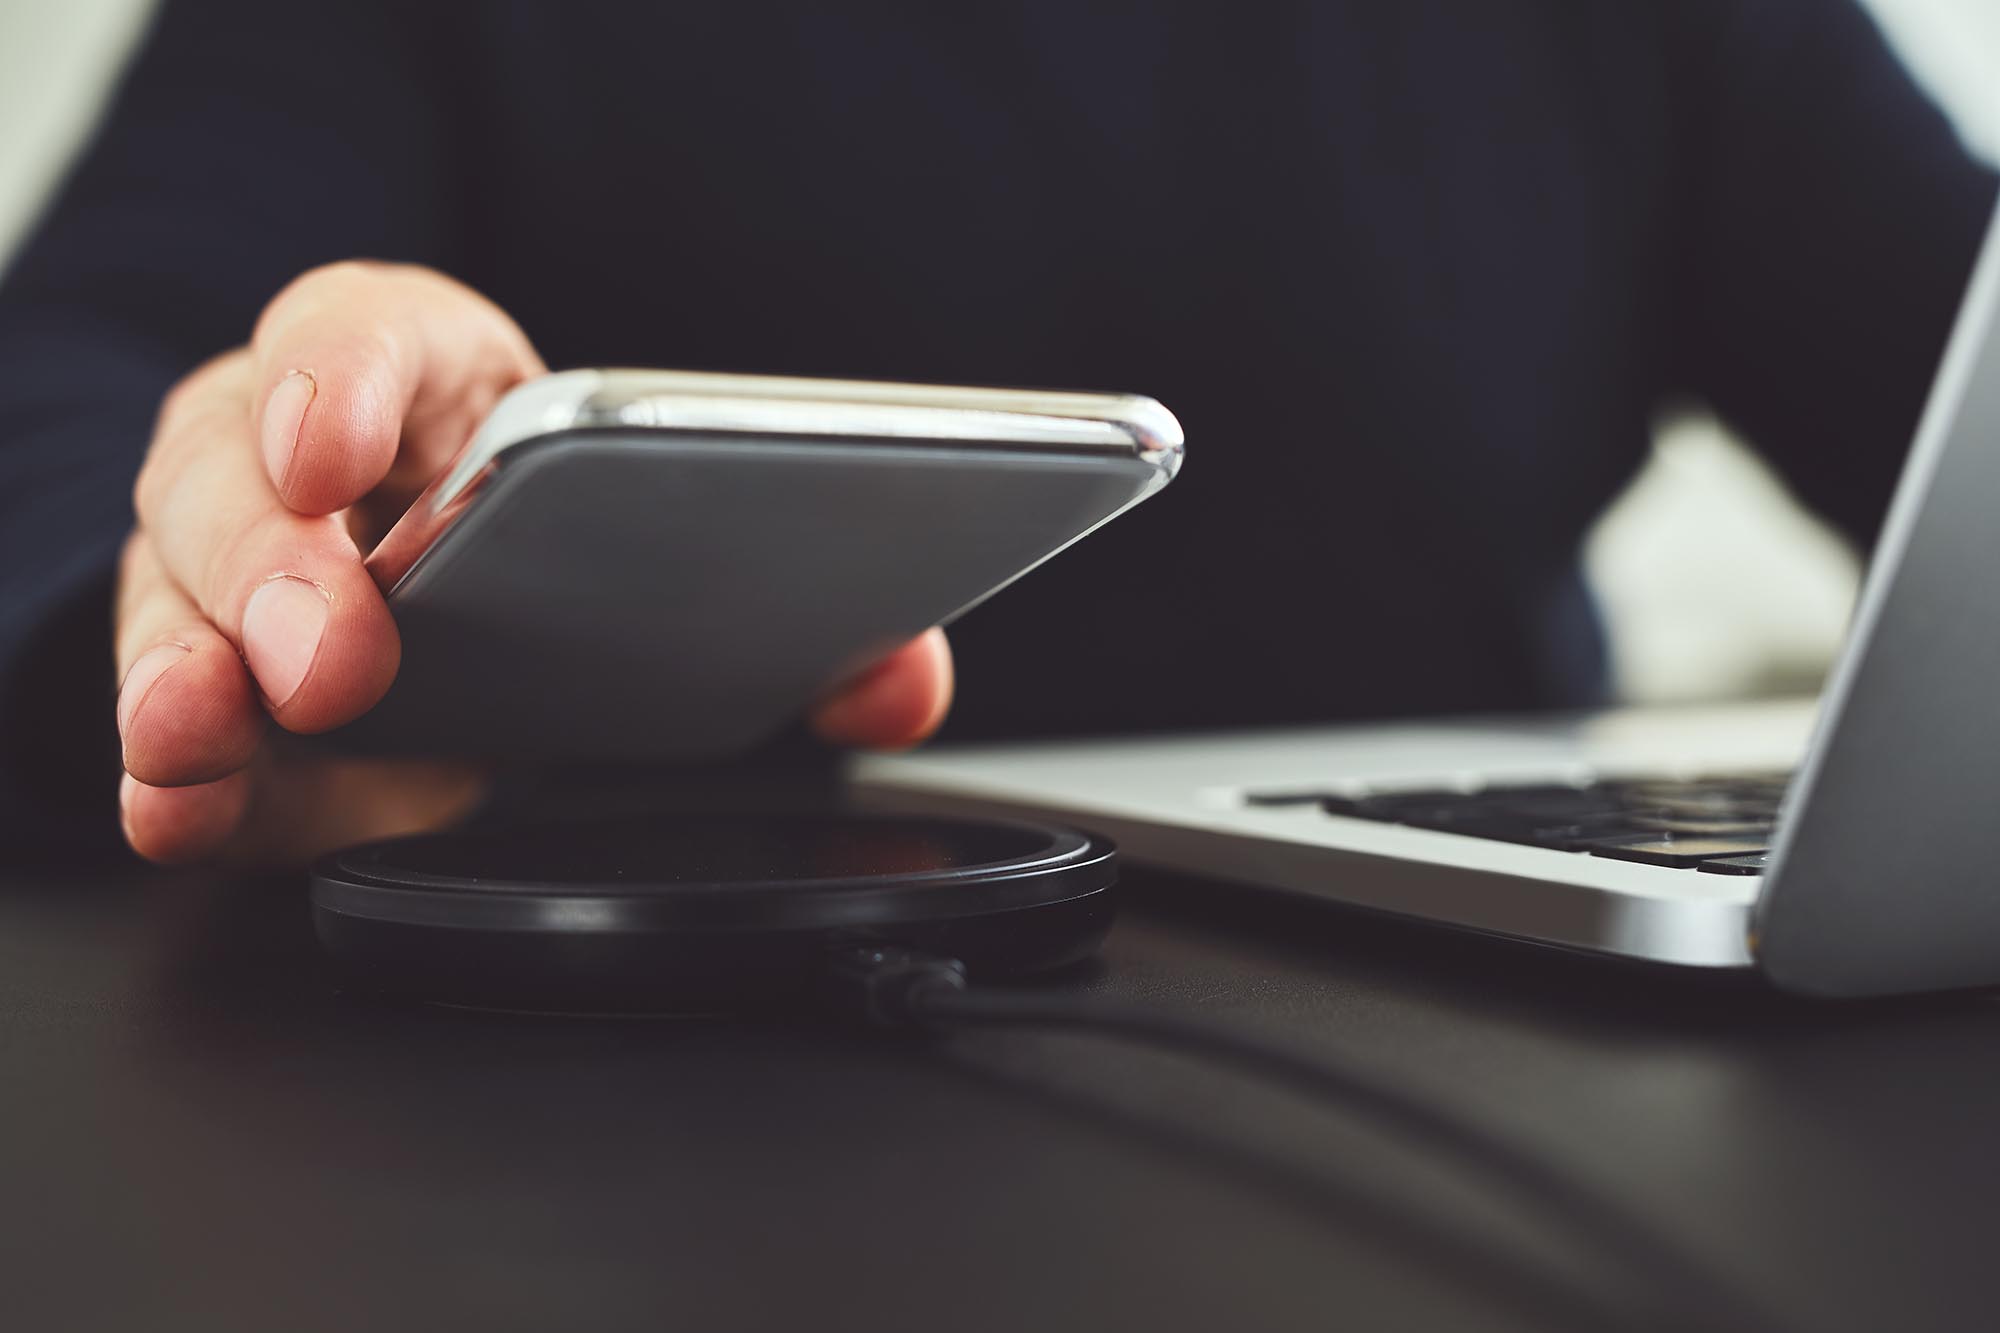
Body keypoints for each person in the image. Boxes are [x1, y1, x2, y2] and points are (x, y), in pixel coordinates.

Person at [0, 2, 1991, 865]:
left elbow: (1948, 368)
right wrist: (203, 592)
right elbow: (81, 386)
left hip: (1538, 1049)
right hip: (642, 1074)